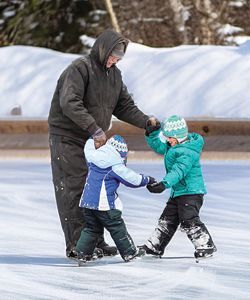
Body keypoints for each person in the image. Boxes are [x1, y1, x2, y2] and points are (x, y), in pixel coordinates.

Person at [48, 29, 158, 259]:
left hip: (92, 140)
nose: (114, 60)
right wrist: (94, 128)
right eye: (112, 56)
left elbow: (124, 106)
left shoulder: (114, 76)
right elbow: (69, 102)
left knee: (94, 189)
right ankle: (77, 244)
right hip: (68, 138)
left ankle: (95, 240)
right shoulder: (80, 69)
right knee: (74, 188)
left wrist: (146, 121)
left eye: (118, 58)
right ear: (102, 49)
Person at [140, 115, 217, 260]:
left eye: (170, 137)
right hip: (178, 192)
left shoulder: (187, 152)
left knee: (189, 219)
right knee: (167, 220)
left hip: (191, 192)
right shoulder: (174, 146)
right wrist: (153, 133)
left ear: (179, 136)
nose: (168, 140)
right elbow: (158, 146)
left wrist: (164, 184)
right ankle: (155, 246)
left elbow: (179, 171)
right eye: (167, 137)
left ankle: (205, 245)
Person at [72, 135, 153, 264]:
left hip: (87, 203)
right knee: (117, 227)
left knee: (91, 228)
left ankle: (82, 253)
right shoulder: (115, 165)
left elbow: (87, 149)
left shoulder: (93, 158)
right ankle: (129, 253)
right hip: (104, 205)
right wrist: (147, 179)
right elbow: (132, 179)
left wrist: (91, 139)